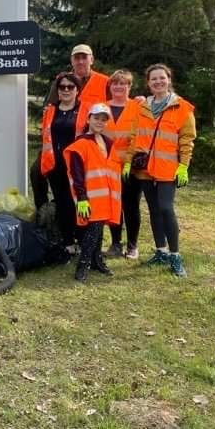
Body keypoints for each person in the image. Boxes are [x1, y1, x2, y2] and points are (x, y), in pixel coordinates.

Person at [123, 63, 196, 277]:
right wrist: (128, 161)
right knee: (154, 210)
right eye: (153, 79)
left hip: (167, 168)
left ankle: (175, 256)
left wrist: (183, 166)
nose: (158, 82)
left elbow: (187, 140)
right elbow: (135, 137)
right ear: (148, 83)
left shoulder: (182, 107)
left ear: (169, 80)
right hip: (144, 168)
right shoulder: (142, 107)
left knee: (165, 208)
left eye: (161, 78)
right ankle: (161, 251)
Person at [33, 44, 110, 208]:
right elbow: (50, 106)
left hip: (89, 143)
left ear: (92, 60)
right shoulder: (62, 80)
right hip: (58, 141)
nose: (81, 61)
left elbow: (119, 99)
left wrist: (138, 100)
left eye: (84, 57)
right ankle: (44, 213)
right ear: (72, 61)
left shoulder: (105, 82)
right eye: (77, 58)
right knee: (36, 172)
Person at [64, 103, 122, 281]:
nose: (100, 122)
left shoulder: (108, 142)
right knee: (92, 231)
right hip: (89, 197)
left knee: (98, 230)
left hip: (106, 197)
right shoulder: (80, 144)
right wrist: (81, 197)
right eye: (96, 118)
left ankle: (96, 261)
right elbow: (76, 174)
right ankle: (83, 264)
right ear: (88, 119)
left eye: (104, 119)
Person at [39, 72, 86, 249]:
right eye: (62, 87)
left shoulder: (85, 109)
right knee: (63, 203)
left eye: (70, 87)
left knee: (78, 203)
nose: (66, 90)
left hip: (77, 166)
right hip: (55, 165)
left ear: (77, 90)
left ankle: (82, 240)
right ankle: (68, 242)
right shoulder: (50, 111)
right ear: (57, 90)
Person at [103, 70, 142, 259]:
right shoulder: (101, 108)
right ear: (110, 87)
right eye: (115, 83)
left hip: (131, 166)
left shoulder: (139, 106)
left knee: (131, 205)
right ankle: (116, 243)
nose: (118, 87)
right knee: (113, 206)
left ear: (129, 86)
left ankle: (133, 246)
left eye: (123, 83)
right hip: (108, 166)